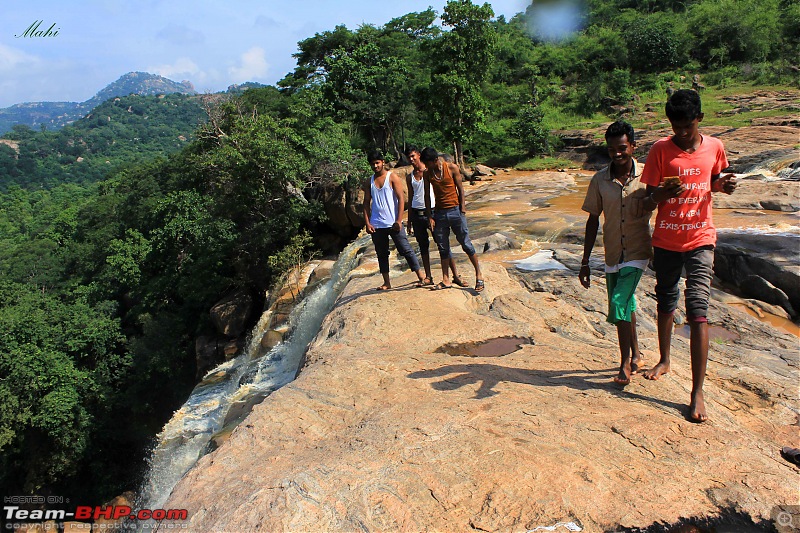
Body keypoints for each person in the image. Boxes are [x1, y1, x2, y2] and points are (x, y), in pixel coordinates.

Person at [639, 89, 737, 422]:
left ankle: (697, 392)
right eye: (675, 126)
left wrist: (724, 185)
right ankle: (665, 359)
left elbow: (716, 178)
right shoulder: (659, 150)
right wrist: (661, 193)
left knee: (698, 309)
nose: (680, 133)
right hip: (666, 239)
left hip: (700, 238)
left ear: (699, 120)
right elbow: (646, 197)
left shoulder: (715, 147)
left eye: (686, 126)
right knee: (665, 300)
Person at [579, 120, 651, 386]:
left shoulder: (649, 175)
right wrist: (585, 262)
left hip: (639, 250)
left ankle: (624, 364)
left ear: (633, 146)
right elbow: (592, 220)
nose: (617, 154)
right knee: (627, 304)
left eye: (622, 148)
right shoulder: (599, 180)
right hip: (613, 253)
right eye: (611, 150)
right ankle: (637, 355)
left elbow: (662, 201)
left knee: (619, 302)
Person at [420, 147, 484, 292]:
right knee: (443, 248)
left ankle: (479, 275)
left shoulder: (451, 168)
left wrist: (462, 209)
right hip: (439, 214)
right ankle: (446, 279)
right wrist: (430, 215)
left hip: (455, 211)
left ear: (435, 160)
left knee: (466, 244)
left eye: (427, 163)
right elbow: (426, 195)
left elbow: (460, 189)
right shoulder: (427, 174)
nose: (425, 166)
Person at [363, 150, 426, 291]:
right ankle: (387, 282)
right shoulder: (369, 181)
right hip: (377, 224)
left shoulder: (392, 177)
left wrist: (399, 220)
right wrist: (367, 223)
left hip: (393, 222)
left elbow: (401, 199)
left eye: (377, 163)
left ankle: (421, 276)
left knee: (406, 250)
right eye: (373, 164)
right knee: (381, 253)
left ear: (383, 162)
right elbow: (366, 203)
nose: (375, 166)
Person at [405, 145, 462, 287]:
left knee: (443, 245)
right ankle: (428, 276)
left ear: (419, 155)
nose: (411, 159)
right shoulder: (410, 177)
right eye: (409, 157)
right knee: (423, 246)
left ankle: (455, 275)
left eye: (413, 156)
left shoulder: (430, 172)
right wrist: (409, 220)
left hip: (433, 212)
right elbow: (411, 197)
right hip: (417, 214)